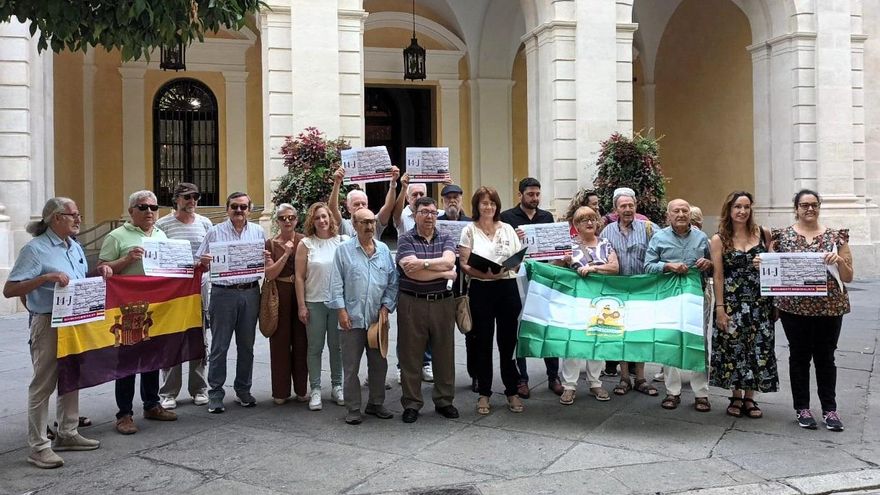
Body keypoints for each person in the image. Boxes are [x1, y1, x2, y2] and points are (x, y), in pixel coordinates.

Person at [3, 198, 109, 468]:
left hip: (75, 321)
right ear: (55, 218)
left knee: (71, 375)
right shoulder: (35, 250)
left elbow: (79, 280)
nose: (78, 219)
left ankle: (68, 432)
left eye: (78, 213)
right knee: (43, 384)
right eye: (72, 214)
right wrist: (44, 279)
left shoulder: (74, 246)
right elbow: (11, 289)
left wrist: (101, 271)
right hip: (48, 322)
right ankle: (38, 446)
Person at [767, 189, 853, 431]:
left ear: (819, 207)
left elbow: (849, 277)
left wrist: (839, 261)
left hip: (830, 307)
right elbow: (773, 270)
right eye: (804, 205)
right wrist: (763, 263)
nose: (809, 209)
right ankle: (802, 408)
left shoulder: (837, 238)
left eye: (814, 204)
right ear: (796, 208)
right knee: (799, 357)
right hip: (794, 308)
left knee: (826, 357)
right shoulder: (781, 237)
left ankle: (830, 409)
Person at [98, 190, 178, 434]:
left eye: (154, 207)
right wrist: (125, 260)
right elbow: (102, 268)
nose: (150, 212)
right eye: (143, 208)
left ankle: (152, 404)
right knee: (128, 362)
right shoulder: (116, 236)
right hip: (127, 309)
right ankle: (124, 414)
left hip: (156, 307)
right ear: (132, 210)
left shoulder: (161, 233)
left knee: (153, 357)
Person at [196, 192, 268, 414]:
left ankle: (243, 390)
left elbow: (264, 263)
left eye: (243, 207)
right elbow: (200, 262)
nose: (239, 211)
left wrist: (265, 258)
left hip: (250, 292)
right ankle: (215, 394)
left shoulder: (258, 231)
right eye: (234, 206)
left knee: (246, 346)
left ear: (250, 209)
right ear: (227, 209)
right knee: (219, 346)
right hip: (222, 294)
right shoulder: (214, 232)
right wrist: (204, 262)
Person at [709, 191, 778, 419]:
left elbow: (776, 269)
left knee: (758, 348)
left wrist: (765, 265)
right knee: (733, 349)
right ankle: (736, 395)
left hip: (760, 303)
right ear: (729, 210)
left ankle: (750, 397)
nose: (742, 211)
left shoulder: (764, 234)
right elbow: (718, 275)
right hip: (732, 302)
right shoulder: (719, 239)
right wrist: (720, 308)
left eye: (746, 207)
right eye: (738, 206)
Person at [327, 208, 399, 425]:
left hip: (378, 320)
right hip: (352, 319)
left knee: (379, 364)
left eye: (372, 222)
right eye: (364, 222)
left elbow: (392, 283)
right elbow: (336, 283)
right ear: (354, 224)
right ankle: (354, 408)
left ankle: (376, 403)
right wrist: (340, 311)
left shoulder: (384, 250)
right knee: (351, 368)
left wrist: (386, 308)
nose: (369, 226)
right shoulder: (343, 251)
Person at [460, 186, 525, 415]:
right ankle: (484, 393)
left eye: (492, 203)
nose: (488, 207)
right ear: (477, 206)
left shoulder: (507, 228)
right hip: (481, 289)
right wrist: (483, 273)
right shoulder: (469, 230)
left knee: (507, 344)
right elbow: (465, 263)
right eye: (484, 203)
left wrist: (510, 265)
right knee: (482, 343)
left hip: (506, 287)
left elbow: (518, 259)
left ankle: (511, 391)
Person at [644, 198, 713, 412]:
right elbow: (647, 266)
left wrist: (708, 263)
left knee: (698, 341)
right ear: (668, 215)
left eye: (685, 210)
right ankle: (672, 392)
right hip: (669, 297)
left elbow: (713, 267)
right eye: (676, 211)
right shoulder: (659, 237)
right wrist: (667, 266)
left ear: (689, 214)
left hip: (696, 296)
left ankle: (701, 392)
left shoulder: (702, 237)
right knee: (670, 341)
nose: (681, 214)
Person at [396, 196, 459, 423]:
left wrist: (423, 264)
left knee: (445, 354)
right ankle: (412, 404)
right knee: (411, 355)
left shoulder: (446, 237)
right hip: (413, 302)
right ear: (415, 214)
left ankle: (444, 401)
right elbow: (412, 272)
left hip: (443, 302)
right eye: (424, 212)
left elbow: (450, 262)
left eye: (433, 212)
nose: (430, 216)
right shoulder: (405, 239)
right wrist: (442, 271)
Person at [500, 177, 563, 398]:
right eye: (530, 194)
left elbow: (553, 249)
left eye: (537, 194)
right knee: (520, 327)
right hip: (517, 277)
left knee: (547, 325)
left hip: (543, 278)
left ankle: (553, 376)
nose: (535, 198)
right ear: (520, 195)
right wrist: (514, 239)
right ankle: (521, 379)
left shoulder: (546, 217)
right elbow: (503, 252)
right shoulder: (506, 218)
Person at [156, 182, 212, 410]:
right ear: (176, 199)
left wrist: (208, 263)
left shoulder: (206, 223)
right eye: (187, 197)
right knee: (171, 339)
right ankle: (168, 392)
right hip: (173, 292)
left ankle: (199, 388)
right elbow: (157, 258)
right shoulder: (162, 225)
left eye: (196, 196)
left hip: (200, 289)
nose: (192, 201)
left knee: (198, 337)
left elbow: (212, 254)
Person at [600, 187, 660, 395]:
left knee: (641, 333)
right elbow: (600, 256)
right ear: (616, 209)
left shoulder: (649, 228)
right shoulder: (607, 231)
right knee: (621, 334)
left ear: (636, 206)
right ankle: (624, 378)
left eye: (631, 205)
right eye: (623, 206)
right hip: (618, 291)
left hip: (643, 290)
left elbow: (664, 249)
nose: (627, 209)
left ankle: (641, 378)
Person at [556, 206, 618, 405]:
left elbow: (615, 268)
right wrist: (561, 260)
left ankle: (595, 383)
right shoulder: (569, 245)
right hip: (575, 300)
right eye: (584, 220)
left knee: (597, 338)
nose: (590, 223)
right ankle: (569, 386)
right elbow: (554, 269)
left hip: (601, 299)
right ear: (576, 225)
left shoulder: (606, 243)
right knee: (573, 340)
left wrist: (592, 268)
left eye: (593, 218)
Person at [294, 202, 348, 411]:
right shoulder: (306, 244)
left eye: (325, 216)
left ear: (330, 218)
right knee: (315, 348)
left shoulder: (342, 242)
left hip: (337, 304)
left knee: (337, 348)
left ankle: (337, 386)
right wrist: (301, 306)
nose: (322, 221)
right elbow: (299, 277)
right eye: (317, 218)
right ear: (312, 221)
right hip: (314, 302)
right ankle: (315, 389)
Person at [393, 175, 437, 382]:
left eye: (421, 194)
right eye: (414, 194)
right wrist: (401, 187)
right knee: (407, 326)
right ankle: (403, 365)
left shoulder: (434, 215)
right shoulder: (402, 215)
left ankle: (426, 363)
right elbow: (392, 213)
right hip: (408, 274)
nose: (418, 197)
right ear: (409, 198)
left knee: (427, 326)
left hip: (430, 275)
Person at [265, 203, 308, 405]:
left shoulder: (304, 240)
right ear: (277, 221)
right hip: (279, 294)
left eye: (291, 217)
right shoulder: (271, 244)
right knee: (279, 343)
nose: (287, 221)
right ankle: (280, 391)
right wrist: (285, 254)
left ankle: (301, 389)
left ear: (297, 219)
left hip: (301, 293)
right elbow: (270, 273)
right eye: (283, 218)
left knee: (302, 342)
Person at [437, 184, 476, 391]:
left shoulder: (471, 224)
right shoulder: (436, 222)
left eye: (456, 197)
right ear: (443, 201)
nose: (452, 201)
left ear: (462, 199)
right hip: (441, 287)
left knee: (471, 333)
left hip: (467, 287)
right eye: (448, 198)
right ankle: (443, 378)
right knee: (441, 336)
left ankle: (475, 374)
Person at [328, 163, 398, 239]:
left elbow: (388, 206)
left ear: (367, 206)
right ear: (348, 208)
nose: (360, 206)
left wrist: (393, 183)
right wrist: (337, 183)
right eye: (356, 204)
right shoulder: (344, 225)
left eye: (363, 204)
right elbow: (332, 209)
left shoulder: (374, 223)